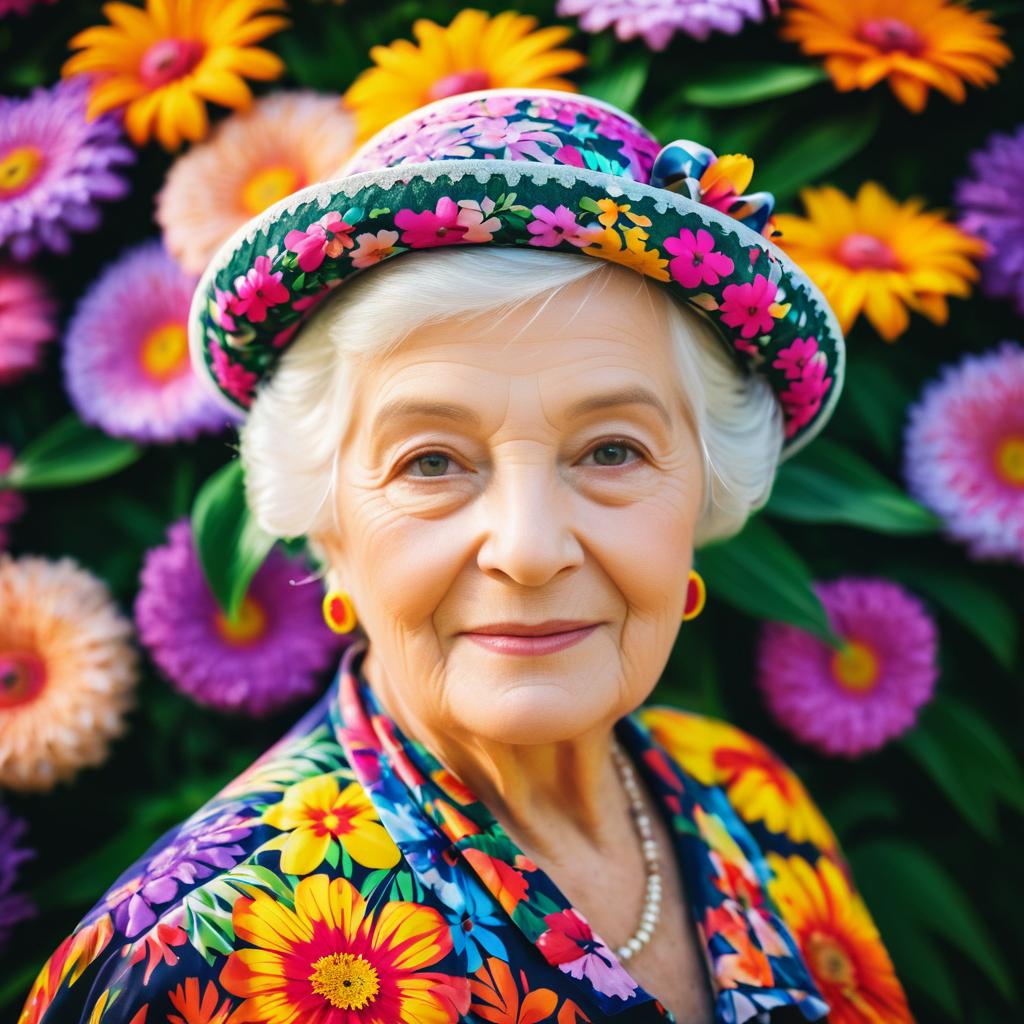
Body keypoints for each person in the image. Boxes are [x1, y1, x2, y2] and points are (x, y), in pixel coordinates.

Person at [19, 88, 913, 1024]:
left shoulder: (751, 802)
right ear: (331, 532)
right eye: (431, 462)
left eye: (612, 451)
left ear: (701, 495)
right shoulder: (196, 959)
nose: (528, 551)